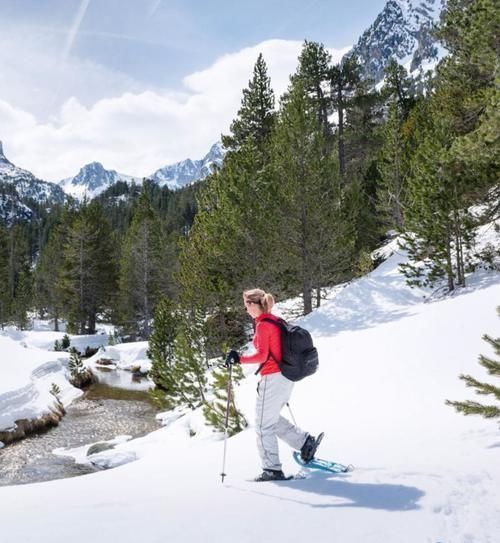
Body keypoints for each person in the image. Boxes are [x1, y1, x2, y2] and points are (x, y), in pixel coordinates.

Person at [225, 288, 322, 482]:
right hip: (285, 378)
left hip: (274, 377)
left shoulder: (263, 325)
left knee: (262, 425)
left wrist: (238, 359)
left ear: (253, 305)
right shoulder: (275, 321)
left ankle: (271, 470)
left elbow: (263, 356)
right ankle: (304, 443)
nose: (246, 310)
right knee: (270, 419)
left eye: (246, 306)